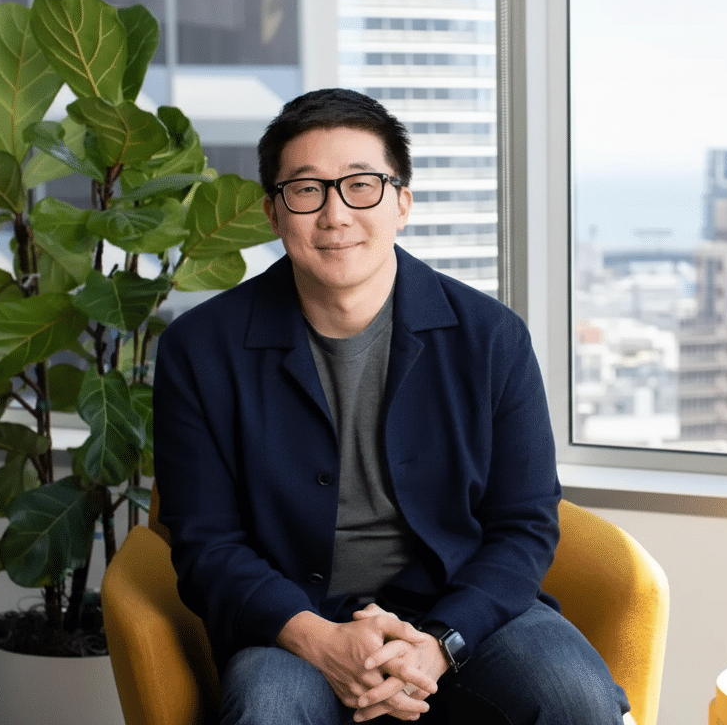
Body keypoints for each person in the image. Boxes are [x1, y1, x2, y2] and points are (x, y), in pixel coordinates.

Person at [153, 88, 629, 725]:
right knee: (267, 708)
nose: (335, 214)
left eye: (362, 186)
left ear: (402, 202)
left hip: (463, 610)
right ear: (273, 212)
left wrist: (437, 645)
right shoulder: (199, 349)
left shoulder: (492, 338)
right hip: (295, 621)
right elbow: (206, 544)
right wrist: (320, 640)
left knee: (577, 699)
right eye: (306, 190)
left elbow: (525, 524)